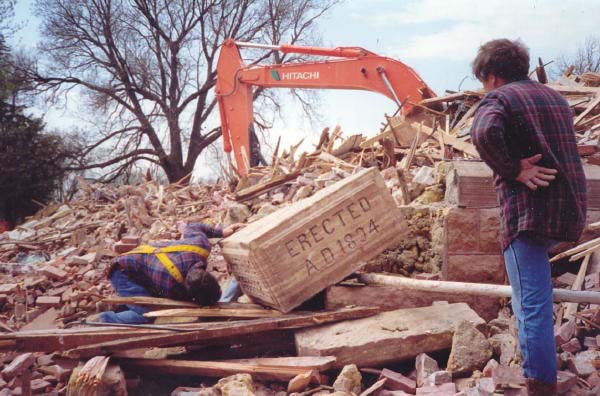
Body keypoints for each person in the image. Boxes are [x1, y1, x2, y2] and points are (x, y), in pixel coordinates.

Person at [470, 39, 587, 395]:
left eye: (483, 79)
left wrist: (512, 169)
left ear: (492, 76)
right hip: (567, 210)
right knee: (538, 295)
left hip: (528, 215)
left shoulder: (499, 98)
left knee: (531, 302)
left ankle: (540, 384)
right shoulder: (555, 98)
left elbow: (483, 131)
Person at [99, 221, 244, 324]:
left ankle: (123, 308)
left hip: (141, 261)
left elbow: (192, 226)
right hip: (122, 272)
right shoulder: (171, 285)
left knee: (146, 298)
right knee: (145, 315)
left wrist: (221, 232)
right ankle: (103, 320)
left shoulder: (201, 245)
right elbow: (171, 303)